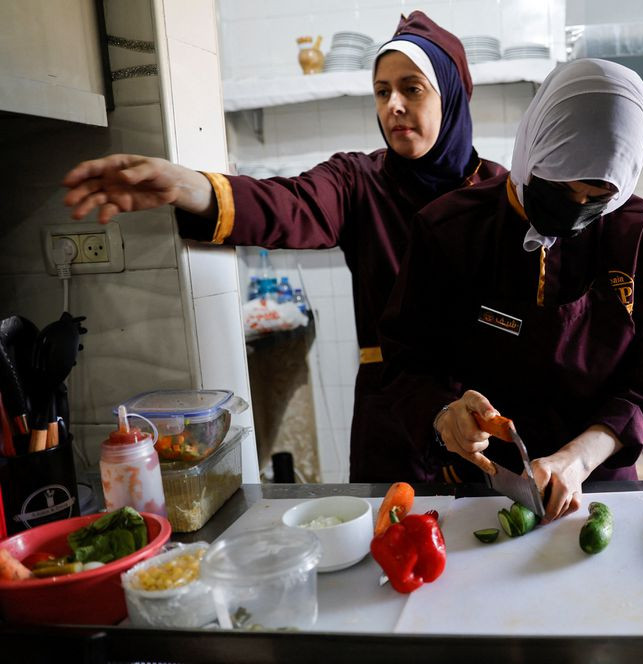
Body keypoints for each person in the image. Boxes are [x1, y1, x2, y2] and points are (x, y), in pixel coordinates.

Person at [61, 11, 506, 482]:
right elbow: (290, 204)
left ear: (452, 95)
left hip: (486, 407)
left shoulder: (500, 194)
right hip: (392, 412)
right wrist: (188, 186)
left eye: (411, 88)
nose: (392, 104)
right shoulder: (360, 181)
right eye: (381, 91)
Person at [380, 59, 643, 522]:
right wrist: (445, 416)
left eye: (597, 196)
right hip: (475, 484)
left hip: (596, 483)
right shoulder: (448, 230)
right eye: (563, 188)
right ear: (533, 149)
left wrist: (577, 459)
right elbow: (407, 361)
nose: (577, 208)